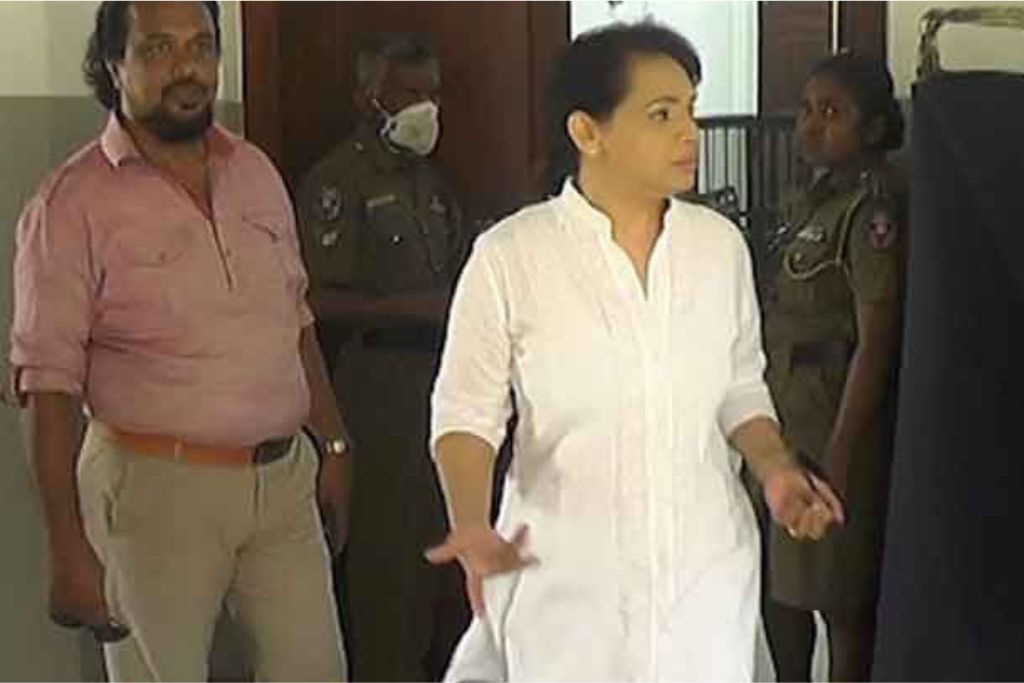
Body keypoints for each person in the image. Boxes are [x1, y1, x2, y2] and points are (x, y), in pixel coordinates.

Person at [423, 22, 845, 681]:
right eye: (661, 114)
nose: (689, 133)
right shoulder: (512, 257)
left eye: (691, 109)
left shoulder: (717, 248)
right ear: (587, 132)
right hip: (567, 591)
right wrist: (472, 524)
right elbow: (466, 414)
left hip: (704, 582)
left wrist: (776, 470)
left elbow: (741, 388)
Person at [9, 2, 350, 680]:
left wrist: (334, 443)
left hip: (282, 484)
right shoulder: (71, 203)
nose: (187, 68)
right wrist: (67, 546)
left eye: (201, 46)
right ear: (114, 65)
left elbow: (294, 320)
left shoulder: (254, 171)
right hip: (154, 491)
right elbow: (47, 384)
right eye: (159, 48)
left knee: (316, 669)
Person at [295, 32, 471, 682]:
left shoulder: (434, 185)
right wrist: (411, 308)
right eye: (407, 92)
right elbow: (312, 299)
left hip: (443, 386)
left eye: (432, 92)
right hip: (378, 388)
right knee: (386, 579)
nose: (425, 107)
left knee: (444, 574)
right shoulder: (337, 183)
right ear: (367, 96)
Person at [761, 52, 908, 682]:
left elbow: (876, 339)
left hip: (834, 417)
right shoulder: (812, 203)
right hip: (786, 412)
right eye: (806, 109)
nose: (811, 124)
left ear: (872, 127)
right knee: (782, 589)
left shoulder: (871, 211)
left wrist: (842, 452)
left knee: (839, 595)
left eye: (832, 112)